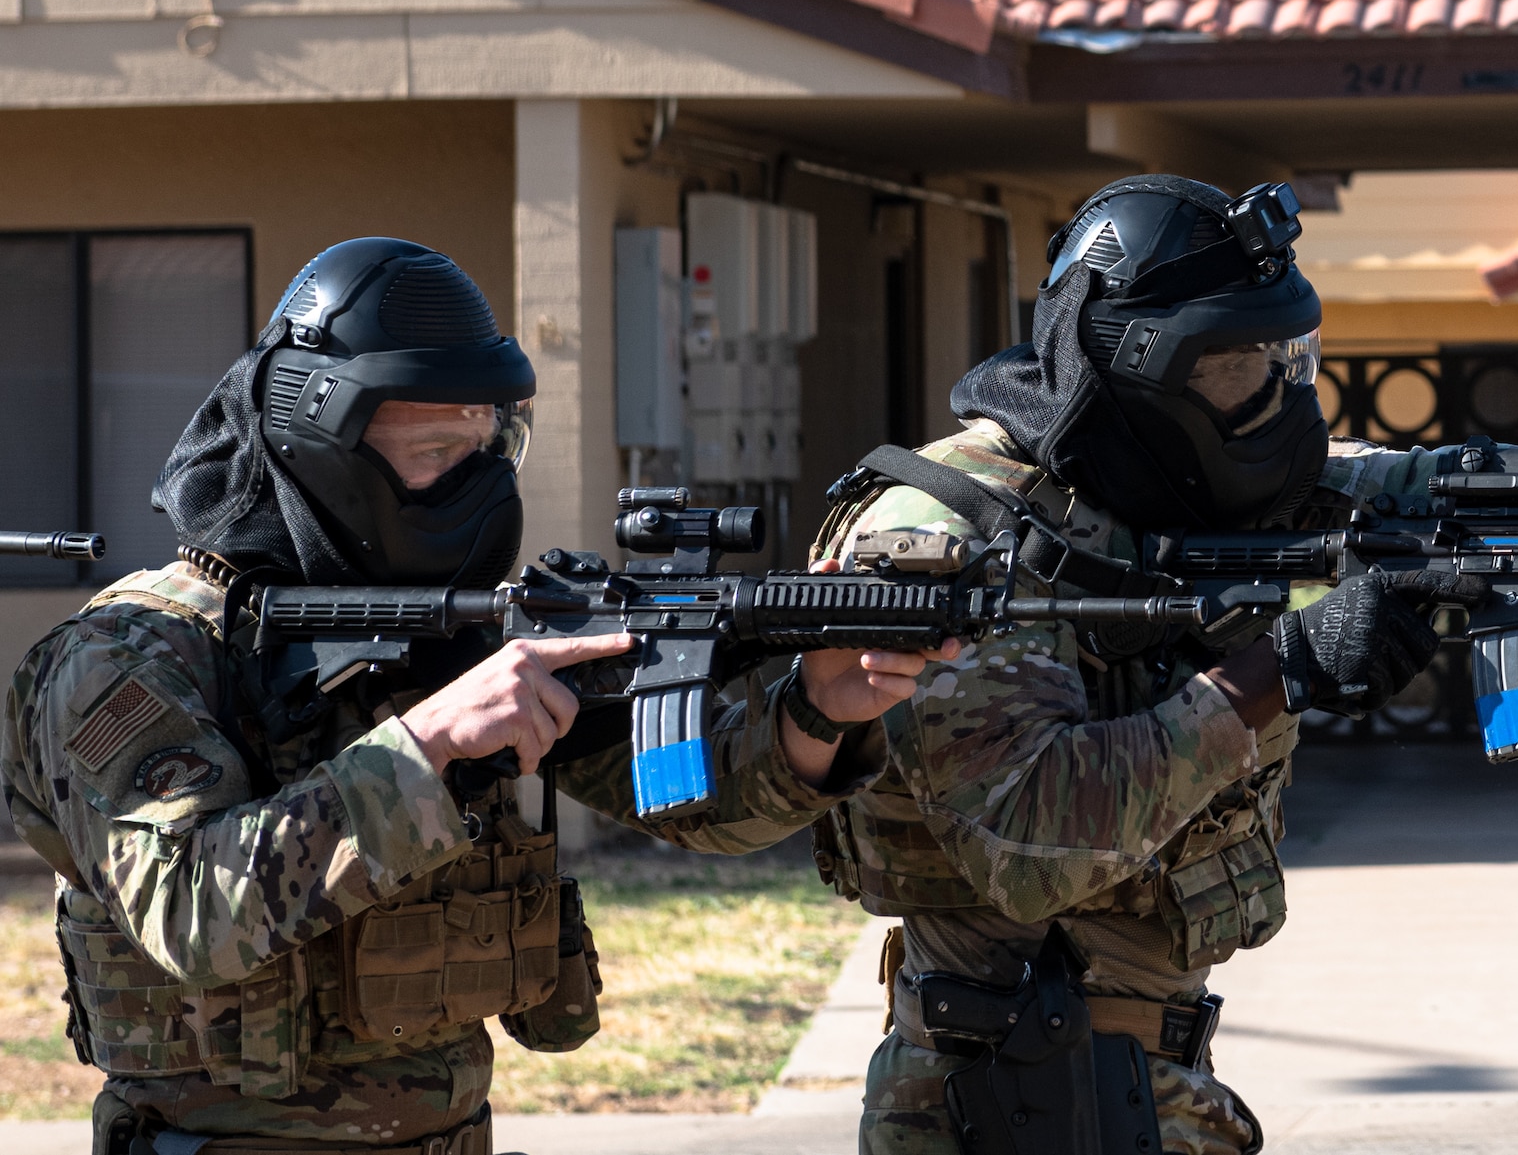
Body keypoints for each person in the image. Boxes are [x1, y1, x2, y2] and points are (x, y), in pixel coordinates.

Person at [807, 174, 1518, 1155]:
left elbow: (1428, 485)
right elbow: (1030, 839)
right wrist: (1288, 669)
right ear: (1138, 363)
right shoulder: (948, 531)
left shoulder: (1156, 473)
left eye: (1288, 364)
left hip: (1130, 1069)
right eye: (1239, 371)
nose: (1277, 399)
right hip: (1002, 1086)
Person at [0, 237, 943, 1154]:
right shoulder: (132, 654)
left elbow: (691, 801)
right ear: (322, 440)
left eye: (492, 446)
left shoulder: (456, 633)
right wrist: (428, 745)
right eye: (437, 451)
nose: (479, 486)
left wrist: (817, 713)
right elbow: (189, 909)